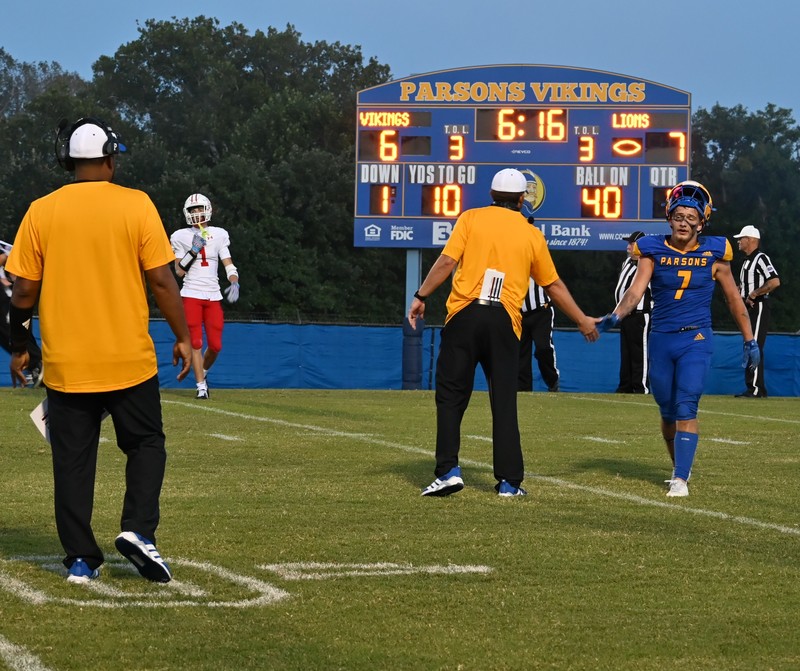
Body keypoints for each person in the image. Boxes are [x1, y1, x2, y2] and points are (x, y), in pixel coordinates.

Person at [5, 116, 191, 584]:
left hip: (68, 363)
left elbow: (23, 290)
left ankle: (82, 560)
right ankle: (138, 531)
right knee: (146, 444)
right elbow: (163, 281)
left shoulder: (42, 209)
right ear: (110, 158)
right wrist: (184, 337)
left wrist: (19, 343)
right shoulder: (137, 204)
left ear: (68, 161)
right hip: (128, 359)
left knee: (71, 461)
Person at [408, 168, 600, 498]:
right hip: (506, 321)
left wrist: (421, 296)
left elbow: (446, 262)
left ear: (492, 194)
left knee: (451, 397)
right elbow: (552, 285)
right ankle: (510, 482)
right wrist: (582, 319)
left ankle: (448, 471)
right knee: (504, 402)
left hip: (465, 315)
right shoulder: (531, 234)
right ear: (522, 199)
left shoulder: (471, 218)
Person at [598, 181, 759, 498]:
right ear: (669, 217)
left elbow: (734, 300)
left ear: (702, 221)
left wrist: (749, 339)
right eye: (679, 216)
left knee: (687, 404)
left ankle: (681, 478)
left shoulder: (715, 253)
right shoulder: (653, 249)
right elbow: (635, 291)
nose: (684, 222)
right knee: (667, 409)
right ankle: (678, 468)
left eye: (691, 217)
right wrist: (615, 316)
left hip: (696, 338)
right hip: (661, 338)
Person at [170, 193, 239, 400]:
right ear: (187, 213)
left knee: (216, 345)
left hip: (213, 295)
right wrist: (193, 250)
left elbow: (227, 261)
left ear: (207, 209)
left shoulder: (218, 234)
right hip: (191, 293)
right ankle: (201, 386)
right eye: (193, 210)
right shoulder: (180, 236)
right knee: (196, 342)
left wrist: (234, 279)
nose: (196, 213)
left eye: (199, 209)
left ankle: (204, 373)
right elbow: (179, 272)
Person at [732, 225, 780, 398]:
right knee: (749, 345)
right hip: (749, 308)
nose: (738, 241)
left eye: (741, 238)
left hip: (758, 306)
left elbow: (774, 281)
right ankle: (752, 386)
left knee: (755, 345)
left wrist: (754, 293)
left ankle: (757, 388)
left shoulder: (761, 258)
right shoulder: (746, 262)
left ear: (751, 240)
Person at [613, 231, 652, 394]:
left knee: (639, 353)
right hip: (624, 316)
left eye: (632, 243)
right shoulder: (628, 262)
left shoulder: (648, 263)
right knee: (626, 352)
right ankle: (625, 386)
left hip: (640, 314)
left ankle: (640, 387)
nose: (628, 247)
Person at [1, 244, 43, 386]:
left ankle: (38, 364)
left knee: (11, 330)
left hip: (6, 298)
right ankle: (35, 366)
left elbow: (8, 255)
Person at [517, 278, 559, 392]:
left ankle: (552, 381)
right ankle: (523, 391)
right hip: (518, 313)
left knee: (543, 348)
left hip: (541, 310)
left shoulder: (538, 260)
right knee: (521, 354)